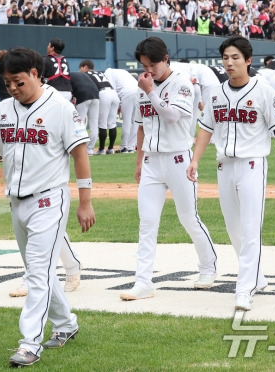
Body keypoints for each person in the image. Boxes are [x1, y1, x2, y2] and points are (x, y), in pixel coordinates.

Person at [0, 47, 94, 367]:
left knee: (37, 273)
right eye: (7, 82)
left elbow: (80, 154)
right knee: (41, 272)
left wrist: (86, 201)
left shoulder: (61, 107)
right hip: (17, 202)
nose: (12, 88)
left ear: (35, 74)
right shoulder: (4, 110)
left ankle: (30, 343)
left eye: (18, 81)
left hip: (49, 200)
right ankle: (66, 324)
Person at [188, 36, 275, 311]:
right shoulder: (216, 93)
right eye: (225, 57)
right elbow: (205, 128)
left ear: (248, 60)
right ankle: (257, 278)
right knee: (233, 228)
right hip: (224, 166)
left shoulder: (264, 91)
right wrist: (195, 160)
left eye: (235, 57)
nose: (229, 62)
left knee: (251, 229)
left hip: (252, 165)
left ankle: (244, 288)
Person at [119, 37, 217, 301]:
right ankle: (143, 282)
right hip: (152, 161)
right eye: (144, 65)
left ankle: (208, 266)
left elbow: (172, 116)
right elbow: (141, 125)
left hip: (178, 159)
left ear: (166, 58)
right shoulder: (144, 86)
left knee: (188, 217)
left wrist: (150, 91)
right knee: (147, 223)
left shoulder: (182, 84)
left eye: (152, 64)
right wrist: (139, 161)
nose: (148, 70)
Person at [79, 60, 120, 155]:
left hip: (103, 93)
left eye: (80, 68)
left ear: (85, 67)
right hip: (113, 93)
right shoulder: (100, 72)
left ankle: (101, 149)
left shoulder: (86, 74)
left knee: (102, 123)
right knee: (112, 123)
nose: (80, 70)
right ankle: (110, 148)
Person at [103, 67, 139, 153]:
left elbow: (112, 89)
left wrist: (118, 105)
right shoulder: (123, 71)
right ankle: (131, 146)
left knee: (127, 121)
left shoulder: (108, 72)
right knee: (135, 121)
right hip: (138, 90)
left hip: (127, 93)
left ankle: (124, 146)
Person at [69, 70, 100, 156]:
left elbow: (70, 92)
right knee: (94, 123)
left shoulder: (68, 76)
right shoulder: (82, 74)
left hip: (83, 96)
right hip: (95, 95)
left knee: (79, 124)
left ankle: (79, 149)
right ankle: (90, 149)